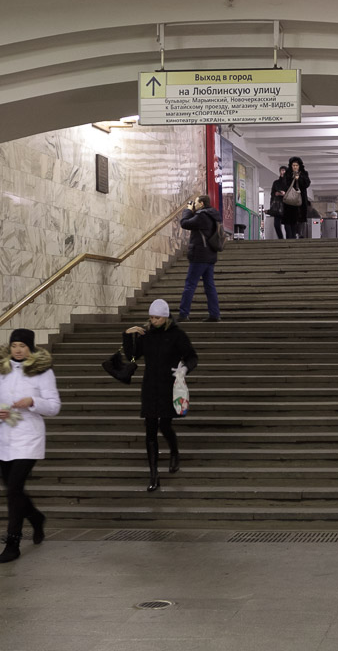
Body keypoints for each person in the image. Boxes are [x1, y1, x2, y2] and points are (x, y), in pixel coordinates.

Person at [0, 328, 61, 563]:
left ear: (31, 348)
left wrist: (32, 401)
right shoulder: (1, 370)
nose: (17, 350)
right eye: (14, 345)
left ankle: (13, 542)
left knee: (14, 489)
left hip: (28, 438)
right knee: (12, 489)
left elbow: (54, 406)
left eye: (22, 346)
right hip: (4, 438)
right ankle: (36, 518)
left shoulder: (42, 372)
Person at [123, 299, 198, 492]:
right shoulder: (146, 335)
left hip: (168, 386)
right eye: (151, 317)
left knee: (165, 425)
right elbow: (132, 356)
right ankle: (154, 474)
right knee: (150, 430)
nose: (153, 320)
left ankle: (174, 452)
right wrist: (127, 335)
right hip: (149, 386)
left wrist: (183, 369)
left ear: (165, 317)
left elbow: (192, 356)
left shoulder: (176, 335)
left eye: (157, 317)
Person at [177, 194, 222, 322]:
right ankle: (214, 313)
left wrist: (188, 210)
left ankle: (183, 313)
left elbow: (184, 223)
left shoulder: (202, 216)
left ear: (202, 203)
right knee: (209, 286)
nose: (194, 205)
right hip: (210, 255)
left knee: (190, 285)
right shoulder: (213, 215)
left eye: (196, 203)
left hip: (199, 256)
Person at [280, 156, 310, 239]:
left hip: (300, 199)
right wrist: (292, 178)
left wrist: (299, 179)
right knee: (289, 219)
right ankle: (290, 237)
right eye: (293, 165)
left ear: (299, 166)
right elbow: (285, 185)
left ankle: (300, 235)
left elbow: (307, 184)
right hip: (290, 200)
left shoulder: (304, 173)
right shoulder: (288, 174)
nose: (295, 167)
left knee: (300, 218)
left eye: (296, 165)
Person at [269, 165, 287, 239]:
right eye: (281, 171)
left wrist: (285, 193)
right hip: (277, 206)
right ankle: (281, 238)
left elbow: (292, 193)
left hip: (286, 205)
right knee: (276, 225)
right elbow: (272, 193)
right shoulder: (276, 183)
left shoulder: (289, 183)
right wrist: (276, 193)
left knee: (287, 225)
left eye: (284, 171)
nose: (282, 172)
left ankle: (290, 239)